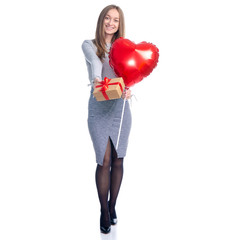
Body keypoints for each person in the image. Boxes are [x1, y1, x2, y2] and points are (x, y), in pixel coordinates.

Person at [82, 5, 132, 234]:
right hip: (99, 106)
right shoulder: (89, 45)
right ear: (102, 20)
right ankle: (103, 210)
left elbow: (129, 74)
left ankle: (113, 207)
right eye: (108, 18)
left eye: (116, 20)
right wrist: (98, 82)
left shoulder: (124, 48)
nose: (111, 23)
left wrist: (128, 88)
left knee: (118, 160)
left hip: (120, 108)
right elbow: (95, 64)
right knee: (104, 161)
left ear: (120, 24)